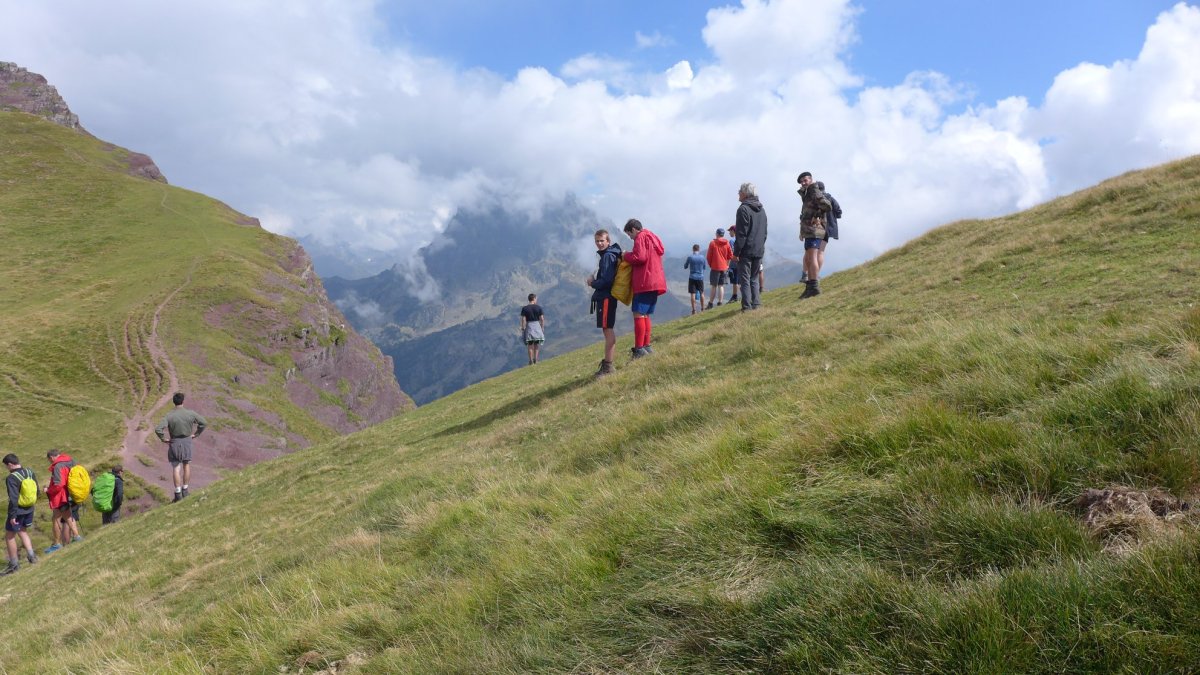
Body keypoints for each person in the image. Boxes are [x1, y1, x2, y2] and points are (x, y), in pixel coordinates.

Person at [621, 219, 667, 358]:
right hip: (656, 281)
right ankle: (646, 346)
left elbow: (639, 257)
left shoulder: (640, 237)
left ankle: (639, 349)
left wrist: (625, 255)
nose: (630, 237)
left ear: (634, 230)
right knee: (645, 314)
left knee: (638, 314)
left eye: (630, 234)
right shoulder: (652, 236)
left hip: (644, 281)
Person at [155, 392, 207, 502]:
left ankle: (178, 493)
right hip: (187, 441)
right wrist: (196, 434)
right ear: (183, 401)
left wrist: (163, 439)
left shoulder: (169, 415)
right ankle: (185, 489)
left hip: (174, 442)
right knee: (186, 464)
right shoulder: (190, 413)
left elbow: (158, 429)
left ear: (174, 402)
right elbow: (203, 423)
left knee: (176, 467)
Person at [587, 229, 623, 378]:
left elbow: (607, 281)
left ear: (608, 241)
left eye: (602, 241)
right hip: (607, 297)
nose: (599, 243)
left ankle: (608, 367)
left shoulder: (607, 256)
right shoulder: (609, 255)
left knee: (607, 330)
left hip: (606, 298)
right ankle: (608, 365)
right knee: (606, 329)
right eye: (597, 241)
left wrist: (592, 283)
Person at [733, 183, 768, 311]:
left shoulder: (743, 209)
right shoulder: (762, 210)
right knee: (754, 278)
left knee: (744, 280)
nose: (738, 193)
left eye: (739, 191)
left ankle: (746, 307)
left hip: (746, 251)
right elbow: (764, 232)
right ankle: (756, 304)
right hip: (758, 250)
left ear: (745, 193)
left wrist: (736, 253)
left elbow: (741, 234)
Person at [797, 171, 832, 298]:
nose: (803, 183)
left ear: (811, 180)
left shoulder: (814, 191)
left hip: (814, 230)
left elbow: (827, 206)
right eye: (801, 181)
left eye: (805, 180)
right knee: (808, 258)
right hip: (809, 230)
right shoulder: (808, 193)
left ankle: (814, 287)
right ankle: (810, 286)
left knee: (812, 258)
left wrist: (818, 215)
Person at [3, 453, 38, 574]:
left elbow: (13, 498)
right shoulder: (29, 472)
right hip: (29, 508)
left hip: (17, 510)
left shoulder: (11, 477)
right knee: (23, 531)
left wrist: (12, 515)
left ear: (10, 464)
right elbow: (36, 490)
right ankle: (32, 556)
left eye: (6, 466)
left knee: (9, 536)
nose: (7, 469)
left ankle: (14, 564)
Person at [43, 449, 75, 554]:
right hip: (73, 493)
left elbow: (58, 484)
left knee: (56, 518)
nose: (50, 462)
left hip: (61, 496)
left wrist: (48, 490)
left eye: (49, 460)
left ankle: (57, 544)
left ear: (51, 457)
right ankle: (77, 536)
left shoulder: (57, 466)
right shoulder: (71, 461)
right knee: (68, 516)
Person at [814, 180, 842, 283]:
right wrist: (833, 218)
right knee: (821, 252)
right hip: (828, 228)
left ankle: (813, 275)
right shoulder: (831, 199)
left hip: (818, 227)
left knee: (814, 251)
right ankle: (816, 275)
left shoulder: (816, 199)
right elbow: (839, 211)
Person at [705, 228, 733, 309]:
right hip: (724, 267)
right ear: (723, 234)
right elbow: (730, 255)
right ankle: (720, 303)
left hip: (715, 267)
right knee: (721, 285)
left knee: (714, 286)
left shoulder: (712, 243)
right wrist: (727, 265)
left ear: (717, 234)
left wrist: (711, 265)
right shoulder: (727, 243)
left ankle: (710, 304)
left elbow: (708, 256)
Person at [519, 293, 546, 365]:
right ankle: (536, 360)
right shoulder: (539, 307)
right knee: (537, 344)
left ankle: (530, 361)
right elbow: (542, 319)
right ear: (534, 299)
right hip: (537, 325)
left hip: (529, 326)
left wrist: (523, 327)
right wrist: (542, 327)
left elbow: (523, 319)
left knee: (530, 344)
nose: (536, 300)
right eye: (536, 298)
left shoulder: (525, 308)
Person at [684, 244, 707, 314]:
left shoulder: (690, 257)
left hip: (692, 277)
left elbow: (685, 266)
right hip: (700, 277)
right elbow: (704, 267)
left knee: (692, 294)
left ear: (693, 249)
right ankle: (703, 308)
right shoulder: (702, 257)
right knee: (702, 293)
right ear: (699, 249)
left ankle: (694, 310)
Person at [727, 225, 739, 303]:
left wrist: (727, 265)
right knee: (739, 280)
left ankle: (735, 296)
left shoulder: (731, 241)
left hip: (734, 263)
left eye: (730, 231)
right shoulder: (740, 239)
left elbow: (731, 253)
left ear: (733, 231)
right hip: (741, 263)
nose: (729, 233)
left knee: (735, 281)